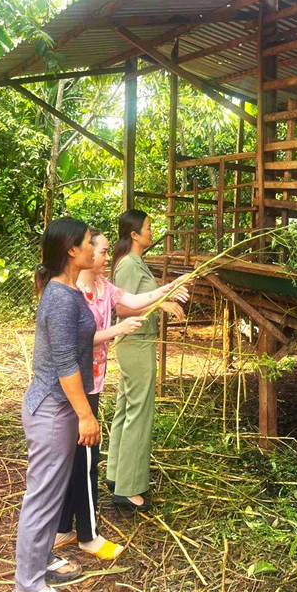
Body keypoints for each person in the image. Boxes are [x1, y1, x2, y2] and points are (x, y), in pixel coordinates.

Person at [12, 218, 187, 592]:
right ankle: (27, 584)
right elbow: (63, 364)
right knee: (42, 495)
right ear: (72, 250)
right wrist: (84, 415)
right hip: (55, 408)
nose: (98, 249)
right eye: (91, 243)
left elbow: (79, 342)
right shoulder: (59, 298)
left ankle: (39, 563)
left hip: (61, 406)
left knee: (54, 490)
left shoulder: (70, 292)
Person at [53, 228, 188, 560]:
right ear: (79, 254)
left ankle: (61, 529)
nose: (102, 256)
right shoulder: (70, 293)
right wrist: (118, 329)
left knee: (75, 458)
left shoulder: (103, 287)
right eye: (98, 251)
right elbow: (74, 343)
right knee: (86, 459)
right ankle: (88, 536)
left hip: (94, 380)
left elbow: (135, 300)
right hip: (75, 383)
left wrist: (171, 287)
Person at [106, 209, 187, 510]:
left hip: (137, 343)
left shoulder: (134, 262)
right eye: (149, 228)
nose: (153, 232)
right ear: (134, 235)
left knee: (126, 409)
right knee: (139, 413)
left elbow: (138, 300)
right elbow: (123, 310)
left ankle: (116, 475)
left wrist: (164, 298)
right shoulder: (128, 264)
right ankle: (128, 489)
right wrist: (162, 304)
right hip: (136, 344)